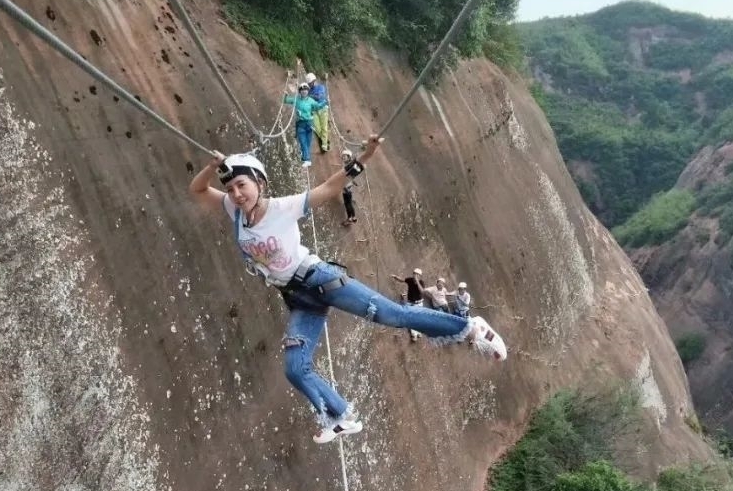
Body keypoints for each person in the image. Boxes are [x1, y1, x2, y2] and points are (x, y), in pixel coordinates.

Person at [190, 136, 507, 444]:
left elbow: (329, 187)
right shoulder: (235, 213)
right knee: (294, 368)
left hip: (318, 278)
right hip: (297, 297)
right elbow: (199, 189)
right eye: (230, 189)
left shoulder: (281, 208)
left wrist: (364, 157)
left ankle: (468, 326)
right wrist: (211, 166)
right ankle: (339, 416)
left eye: (241, 185)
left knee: (391, 315)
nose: (235, 193)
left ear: (260, 183)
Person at [283, 83, 324, 167]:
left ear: (308, 91)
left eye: (306, 90)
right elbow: (286, 100)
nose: (304, 92)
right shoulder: (297, 99)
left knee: (308, 143)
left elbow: (317, 106)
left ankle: (304, 157)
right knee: (303, 142)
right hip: (301, 123)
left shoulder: (311, 101)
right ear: (300, 91)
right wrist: (285, 95)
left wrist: (324, 103)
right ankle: (307, 160)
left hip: (309, 123)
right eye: (302, 90)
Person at [305, 72, 330, 153]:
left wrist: (309, 96)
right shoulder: (309, 91)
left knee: (324, 127)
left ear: (314, 81)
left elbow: (319, 97)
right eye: (309, 84)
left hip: (323, 109)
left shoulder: (321, 87)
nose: (309, 85)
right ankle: (325, 140)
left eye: (310, 83)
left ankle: (324, 145)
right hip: (315, 110)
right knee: (316, 127)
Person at [340, 149, 357, 227]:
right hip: (346, 186)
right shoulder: (347, 165)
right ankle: (351, 218)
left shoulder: (348, 166)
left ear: (349, 157)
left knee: (348, 203)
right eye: (343, 156)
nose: (343, 158)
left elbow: (349, 175)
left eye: (345, 156)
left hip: (347, 186)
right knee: (348, 203)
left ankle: (352, 217)